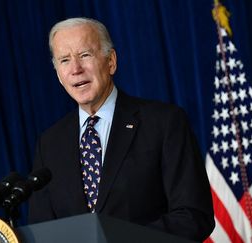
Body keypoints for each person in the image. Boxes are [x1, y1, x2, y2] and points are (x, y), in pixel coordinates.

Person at [28, 17, 215, 241]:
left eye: (85, 55)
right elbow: (43, 231)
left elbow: (194, 215)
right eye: (65, 60)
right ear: (58, 74)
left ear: (111, 61)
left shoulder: (164, 123)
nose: (75, 69)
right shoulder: (49, 144)